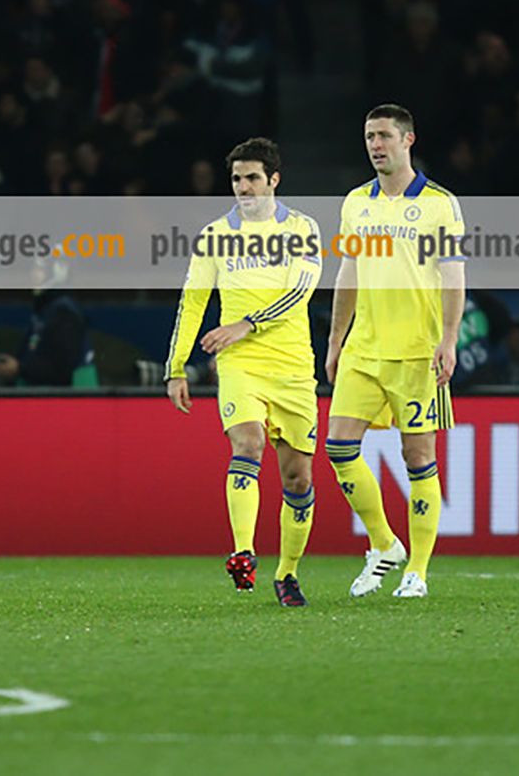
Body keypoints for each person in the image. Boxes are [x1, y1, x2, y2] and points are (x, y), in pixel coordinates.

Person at [165, 137, 322, 607]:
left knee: (298, 479)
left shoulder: (303, 228)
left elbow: (302, 290)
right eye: (236, 179)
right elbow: (192, 301)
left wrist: (246, 324)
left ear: (274, 179)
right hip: (240, 363)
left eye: (253, 177)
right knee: (248, 443)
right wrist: (176, 367)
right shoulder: (215, 236)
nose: (244, 187)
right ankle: (243, 552)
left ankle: (288, 574)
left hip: (293, 365)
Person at [325, 105, 465, 599]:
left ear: (408, 140)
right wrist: (336, 339)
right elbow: (348, 274)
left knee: (418, 457)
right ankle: (385, 544)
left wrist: (449, 339)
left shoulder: (439, 203)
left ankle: (418, 572)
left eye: (384, 135)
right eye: (369, 136)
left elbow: (452, 277)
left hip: (416, 352)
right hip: (364, 347)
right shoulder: (355, 203)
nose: (376, 145)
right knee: (338, 447)